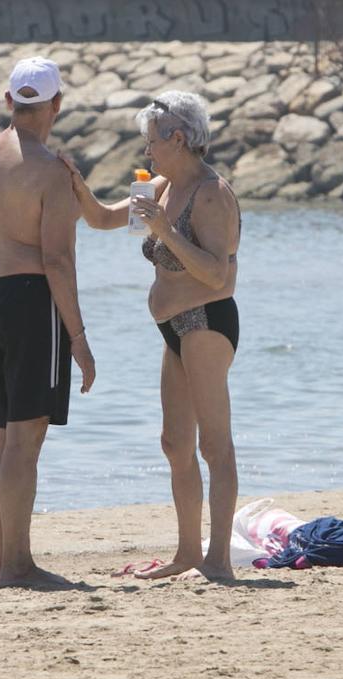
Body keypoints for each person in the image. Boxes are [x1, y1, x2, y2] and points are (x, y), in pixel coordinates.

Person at [62, 91, 242, 581]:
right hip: (172, 328)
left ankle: (219, 559)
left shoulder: (211, 194)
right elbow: (101, 218)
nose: (147, 151)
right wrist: (73, 182)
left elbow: (217, 277)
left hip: (206, 321)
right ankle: (187, 553)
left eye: (152, 141)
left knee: (214, 446)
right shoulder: (160, 185)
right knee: (174, 443)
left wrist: (164, 230)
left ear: (178, 138)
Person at [0, 57, 96, 589]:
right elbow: (58, 261)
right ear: (57, 104)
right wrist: (79, 340)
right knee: (25, 439)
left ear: (9, 101)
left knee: (3, 438)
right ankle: (16, 565)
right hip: (31, 303)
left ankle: (5, 561)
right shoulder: (47, 170)